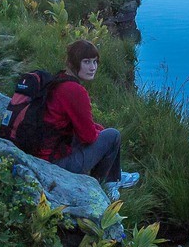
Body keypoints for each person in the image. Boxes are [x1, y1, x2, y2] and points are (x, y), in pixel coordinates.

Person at [39, 39, 140, 198]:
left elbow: (77, 124)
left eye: (95, 62)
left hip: (45, 153)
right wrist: (99, 132)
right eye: (86, 62)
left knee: (102, 132)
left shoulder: (58, 80)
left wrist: (97, 129)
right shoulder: (75, 91)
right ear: (73, 62)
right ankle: (107, 186)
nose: (93, 67)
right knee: (113, 135)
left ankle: (115, 175)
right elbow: (88, 137)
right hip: (55, 164)